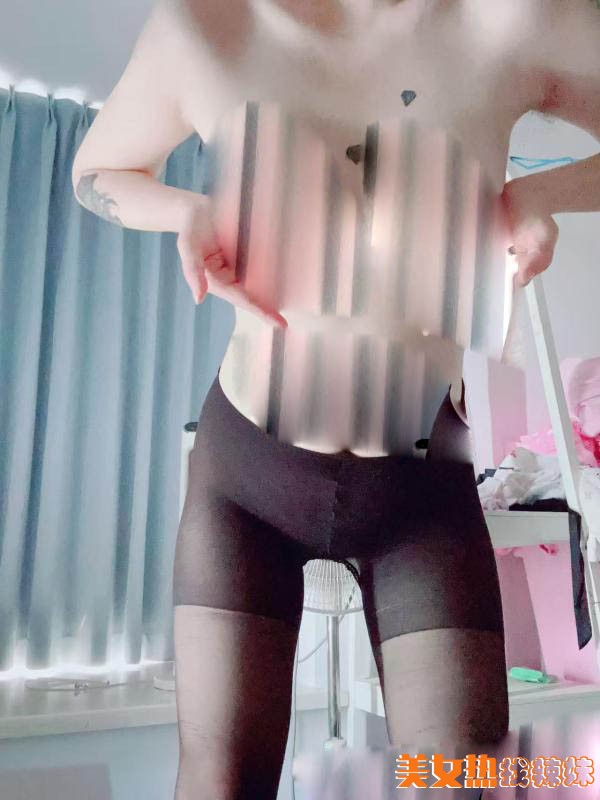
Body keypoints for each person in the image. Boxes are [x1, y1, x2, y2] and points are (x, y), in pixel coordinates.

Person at [71, 1, 600, 798]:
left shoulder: (515, 19)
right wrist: (187, 210)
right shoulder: (205, 23)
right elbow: (95, 172)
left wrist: (538, 194)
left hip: (421, 490)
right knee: (220, 782)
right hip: (248, 481)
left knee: (462, 780)